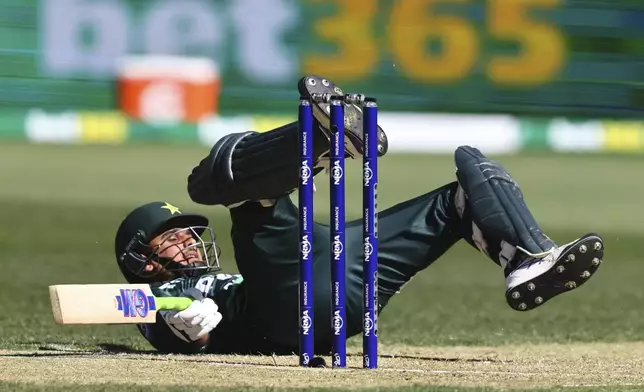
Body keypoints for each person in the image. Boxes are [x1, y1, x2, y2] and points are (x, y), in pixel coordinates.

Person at [114, 75, 604, 356]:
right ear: (141, 260)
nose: (187, 243)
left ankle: (528, 259)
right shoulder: (153, 297)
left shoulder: (213, 273)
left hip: (339, 288)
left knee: (465, 184)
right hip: (280, 313)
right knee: (213, 182)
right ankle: (325, 140)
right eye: (168, 240)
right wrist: (184, 330)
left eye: (186, 234)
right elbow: (153, 323)